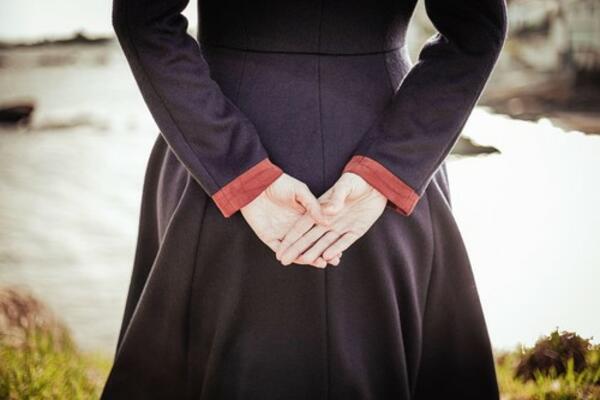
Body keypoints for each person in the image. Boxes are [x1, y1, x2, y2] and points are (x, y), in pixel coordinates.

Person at [100, 0, 508, 398]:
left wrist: (237, 171)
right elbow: (476, 29)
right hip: (390, 142)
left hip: (213, 144)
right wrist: (391, 168)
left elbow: (143, 19)